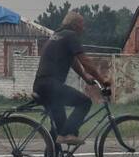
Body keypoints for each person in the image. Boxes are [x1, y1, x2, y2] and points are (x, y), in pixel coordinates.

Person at [33, 10, 111, 146]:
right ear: (74, 25)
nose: (83, 28)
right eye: (82, 24)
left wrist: (85, 77)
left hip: (42, 85)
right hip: (51, 85)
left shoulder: (58, 35)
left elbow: (73, 60)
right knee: (84, 102)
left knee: (60, 128)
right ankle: (67, 135)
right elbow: (85, 62)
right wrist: (101, 80)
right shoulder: (71, 35)